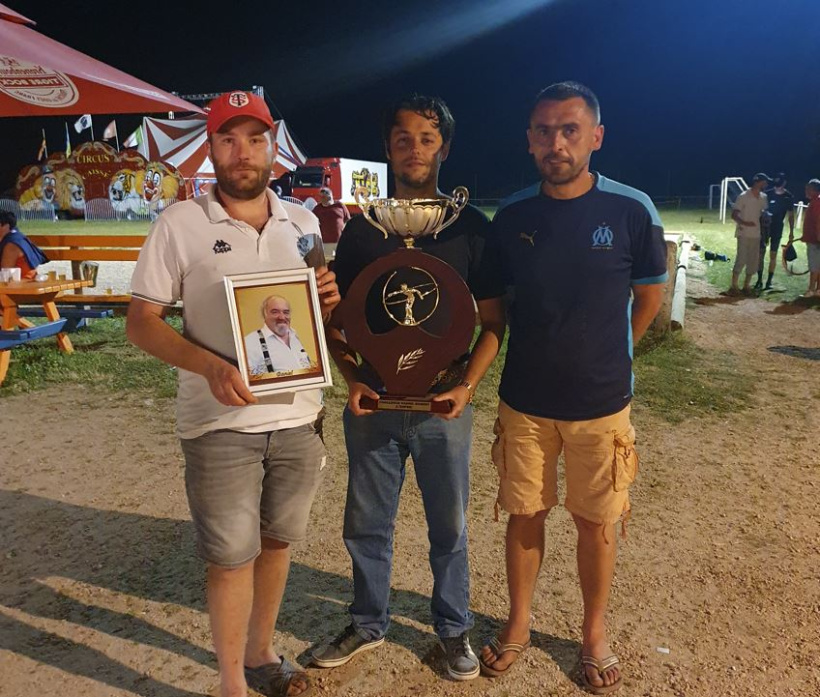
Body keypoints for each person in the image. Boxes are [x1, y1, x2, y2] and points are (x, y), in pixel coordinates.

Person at [125, 90, 340, 697]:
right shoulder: (180, 223)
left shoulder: (301, 221)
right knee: (229, 557)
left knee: (277, 542)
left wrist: (328, 300)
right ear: (210, 147)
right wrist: (210, 366)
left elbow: (312, 316)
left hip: (299, 414)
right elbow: (141, 322)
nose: (242, 152)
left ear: (274, 149)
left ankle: (262, 655)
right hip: (219, 421)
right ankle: (229, 684)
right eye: (228, 138)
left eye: (255, 139)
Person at [475, 82, 667, 695]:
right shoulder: (511, 216)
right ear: (529, 139)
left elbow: (649, 295)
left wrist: (617, 353)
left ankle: (592, 634)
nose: (555, 142)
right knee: (524, 514)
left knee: (596, 521)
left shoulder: (633, 210)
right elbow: (497, 306)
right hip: (525, 402)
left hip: (601, 404)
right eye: (543, 130)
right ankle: (519, 625)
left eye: (569, 130)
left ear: (596, 137)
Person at [311, 94, 506, 681]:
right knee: (366, 523)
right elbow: (339, 321)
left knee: (449, 525)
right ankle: (369, 621)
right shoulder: (364, 231)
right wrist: (351, 378)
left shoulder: (472, 227)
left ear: (445, 147)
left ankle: (453, 629)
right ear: (388, 147)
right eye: (403, 139)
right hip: (372, 401)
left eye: (426, 138)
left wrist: (467, 386)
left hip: (443, 405)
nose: (415, 149)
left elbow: (493, 324)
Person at [244, 295, 313, 376]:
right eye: (275, 312)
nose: (282, 317)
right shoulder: (249, 343)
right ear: (265, 314)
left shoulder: (295, 335)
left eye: (286, 312)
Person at [729, 173, 770, 296]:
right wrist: (745, 223)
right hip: (743, 233)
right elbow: (734, 214)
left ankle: (746, 286)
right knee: (741, 258)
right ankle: (734, 286)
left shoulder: (763, 197)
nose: (766, 184)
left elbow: (764, 214)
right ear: (758, 182)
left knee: (753, 260)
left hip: (756, 234)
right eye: (764, 182)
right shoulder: (743, 196)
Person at [755, 172, 795, 290]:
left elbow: (791, 215)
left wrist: (791, 232)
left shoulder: (788, 197)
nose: (777, 183)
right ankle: (759, 280)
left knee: (773, 254)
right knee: (761, 253)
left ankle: (768, 282)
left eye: (780, 181)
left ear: (784, 182)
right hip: (765, 228)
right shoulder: (767, 194)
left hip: (777, 228)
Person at [0, 210, 48, 279]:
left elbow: (5, 273)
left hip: (24, 283)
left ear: (5, 226)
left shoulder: (12, 244)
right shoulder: (13, 236)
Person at [799, 178, 820, 297]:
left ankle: (811, 290)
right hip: (813, 238)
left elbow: (818, 220)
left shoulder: (816, 202)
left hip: (815, 240)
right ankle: (818, 290)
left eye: (808, 189)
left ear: (814, 190)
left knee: (814, 265)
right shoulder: (816, 200)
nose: (806, 191)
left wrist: (818, 237)